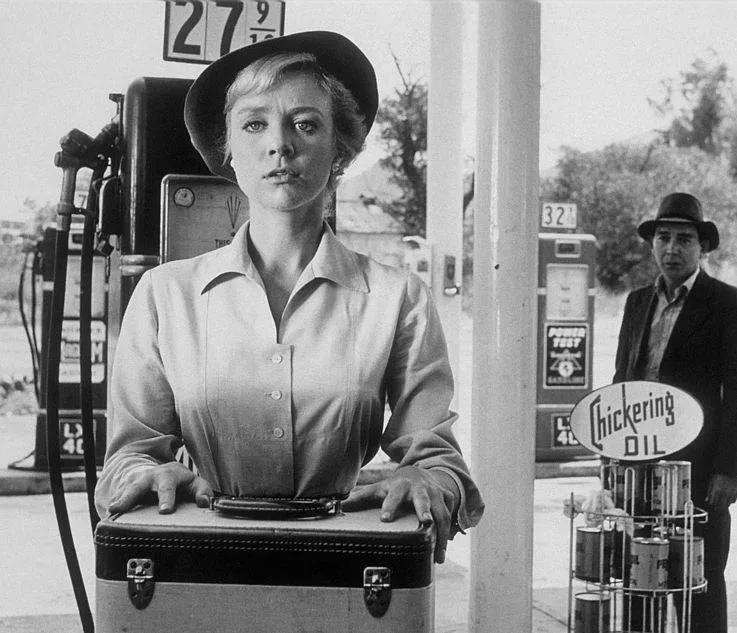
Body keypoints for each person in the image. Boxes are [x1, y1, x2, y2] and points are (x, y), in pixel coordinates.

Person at [95, 31, 483, 564]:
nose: (280, 144)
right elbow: (126, 459)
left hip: (345, 571)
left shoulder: (398, 299)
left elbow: (443, 465)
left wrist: (427, 479)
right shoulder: (165, 295)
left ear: (340, 149)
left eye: (305, 123)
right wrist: (147, 473)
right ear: (227, 149)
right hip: (198, 566)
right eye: (254, 124)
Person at [613, 192, 737, 631]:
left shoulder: (729, 304)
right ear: (652, 243)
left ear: (702, 248)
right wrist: (612, 453)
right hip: (640, 462)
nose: (672, 249)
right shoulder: (638, 302)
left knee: (700, 577)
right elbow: (624, 376)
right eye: (663, 237)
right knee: (639, 572)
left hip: (698, 466)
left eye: (683, 239)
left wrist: (729, 469)